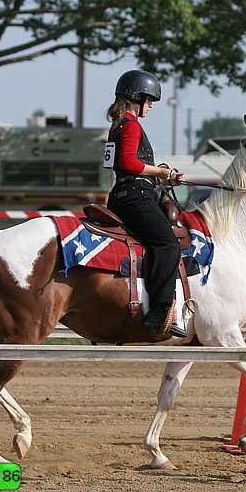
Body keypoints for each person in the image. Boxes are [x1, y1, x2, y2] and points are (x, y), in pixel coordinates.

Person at [105, 69, 188, 338]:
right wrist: (160, 172)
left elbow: (123, 165)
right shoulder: (130, 124)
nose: (151, 106)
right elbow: (129, 163)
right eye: (149, 100)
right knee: (168, 244)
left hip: (124, 194)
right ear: (135, 97)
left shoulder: (118, 125)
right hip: (135, 197)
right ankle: (160, 312)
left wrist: (165, 176)